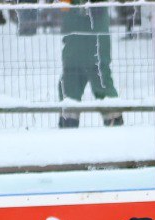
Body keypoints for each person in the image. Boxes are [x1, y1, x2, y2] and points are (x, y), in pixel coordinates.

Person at [58, 0, 123, 129]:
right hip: (79, 43)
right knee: (72, 83)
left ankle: (113, 121)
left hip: (90, 42)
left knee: (99, 80)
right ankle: (69, 124)